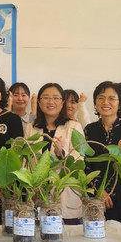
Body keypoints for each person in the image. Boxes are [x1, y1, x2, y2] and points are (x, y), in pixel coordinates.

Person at [83, 81, 121, 224]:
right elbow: (86, 165)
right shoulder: (89, 129)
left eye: (112, 98)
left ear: (120, 103)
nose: (105, 102)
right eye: (101, 98)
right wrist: (99, 191)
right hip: (98, 200)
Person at [24, 83, 85, 224]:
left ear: (62, 102)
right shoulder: (30, 128)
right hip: (37, 196)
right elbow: (26, 161)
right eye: (46, 97)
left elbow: (79, 160)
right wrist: (32, 188)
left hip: (64, 196)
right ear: (39, 102)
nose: (51, 101)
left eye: (56, 98)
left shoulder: (74, 126)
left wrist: (61, 153)